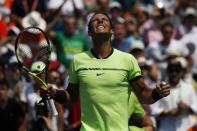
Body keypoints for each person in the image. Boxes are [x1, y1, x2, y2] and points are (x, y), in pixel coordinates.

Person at [47, 12, 170, 131]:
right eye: (95, 20)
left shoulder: (128, 59)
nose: (100, 20)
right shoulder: (78, 60)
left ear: (112, 30)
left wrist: (157, 93)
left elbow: (143, 95)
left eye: (104, 19)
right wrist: (55, 93)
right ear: (89, 32)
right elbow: (71, 98)